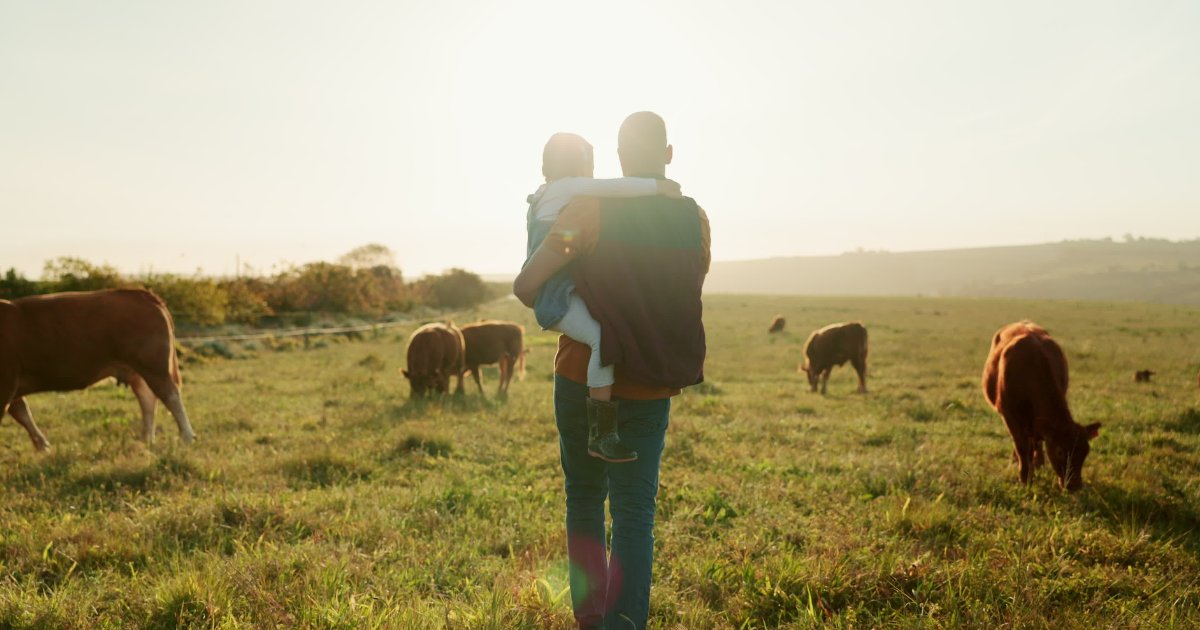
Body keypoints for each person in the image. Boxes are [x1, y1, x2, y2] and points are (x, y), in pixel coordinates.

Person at [514, 111, 710, 630]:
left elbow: (529, 284)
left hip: (580, 376)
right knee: (634, 514)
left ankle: (589, 620)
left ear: (619, 160)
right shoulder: (694, 218)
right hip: (650, 381)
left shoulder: (587, 207)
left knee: (583, 499)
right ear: (668, 155)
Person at [524, 132, 681, 462]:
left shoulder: (545, 193)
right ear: (577, 164)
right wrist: (658, 188)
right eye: (590, 164)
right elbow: (617, 188)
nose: (593, 173)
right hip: (557, 296)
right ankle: (602, 434)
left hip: (559, 292)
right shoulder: (567, 188)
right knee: (602, 337)